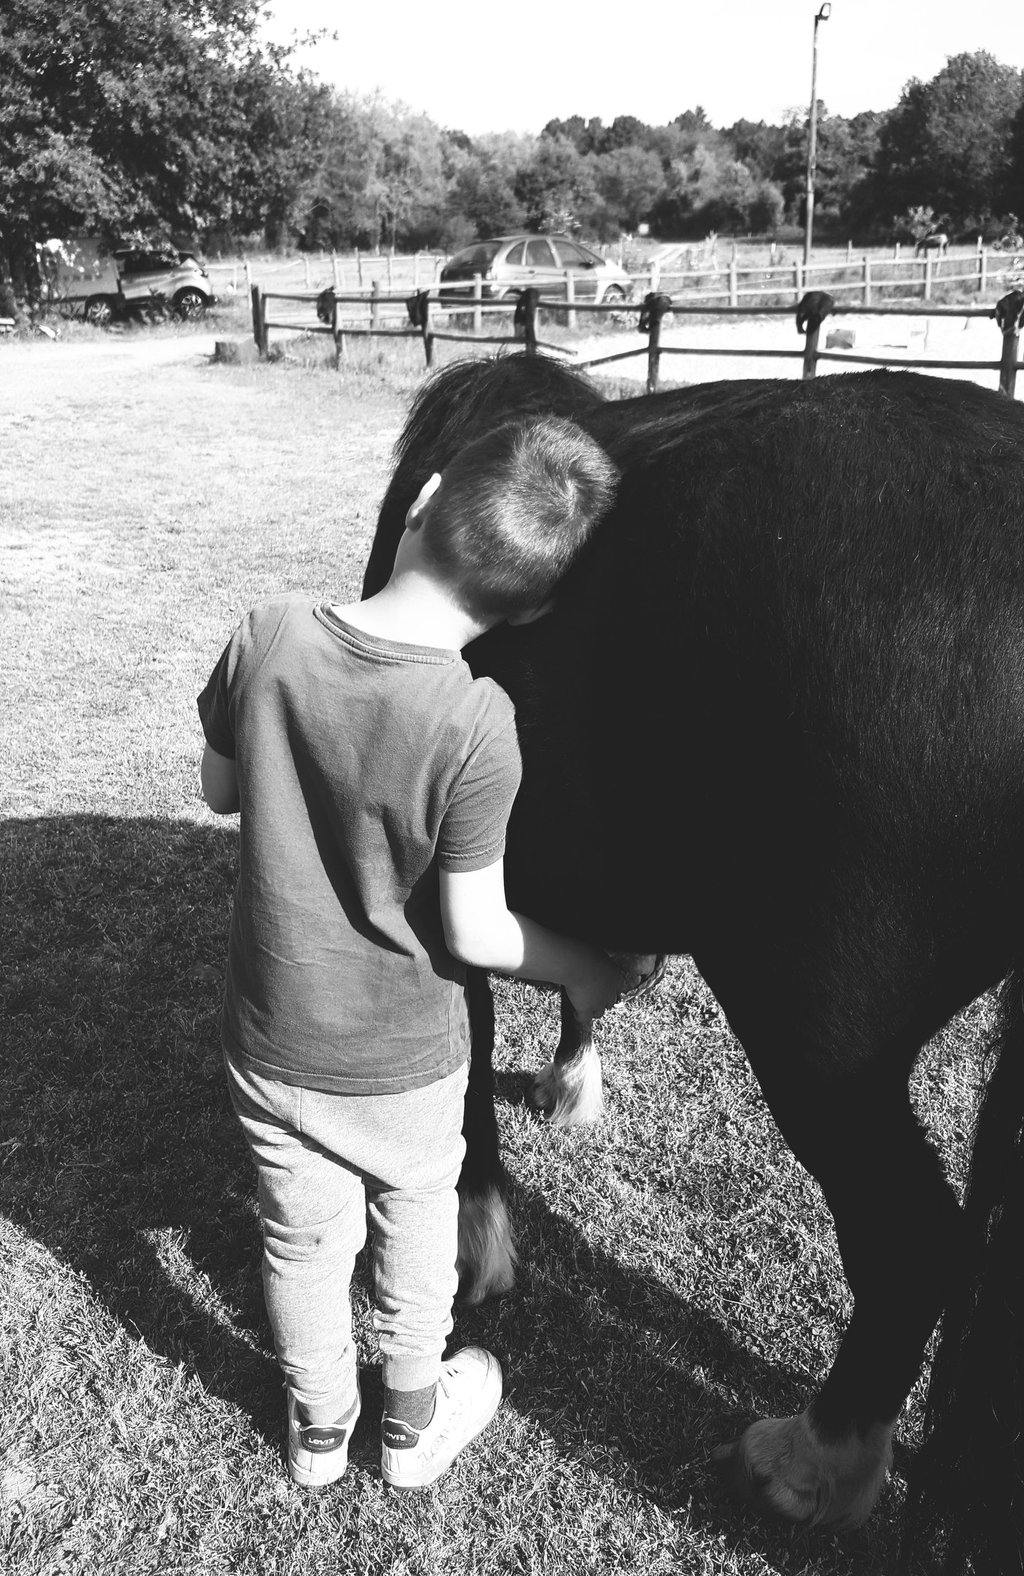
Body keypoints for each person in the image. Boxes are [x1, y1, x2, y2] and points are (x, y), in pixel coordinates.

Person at [197, 415, 627, 1494]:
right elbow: (479, 932)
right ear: (530, 607)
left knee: (300, 1244)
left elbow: (219, 792)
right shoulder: (477, 721)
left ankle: (318, 1433)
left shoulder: (267, 631)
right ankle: (410, 1430)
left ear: (423, 497)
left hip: (270, 1039)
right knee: (417, 1230)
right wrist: (584, 967)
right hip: (406, 1061)